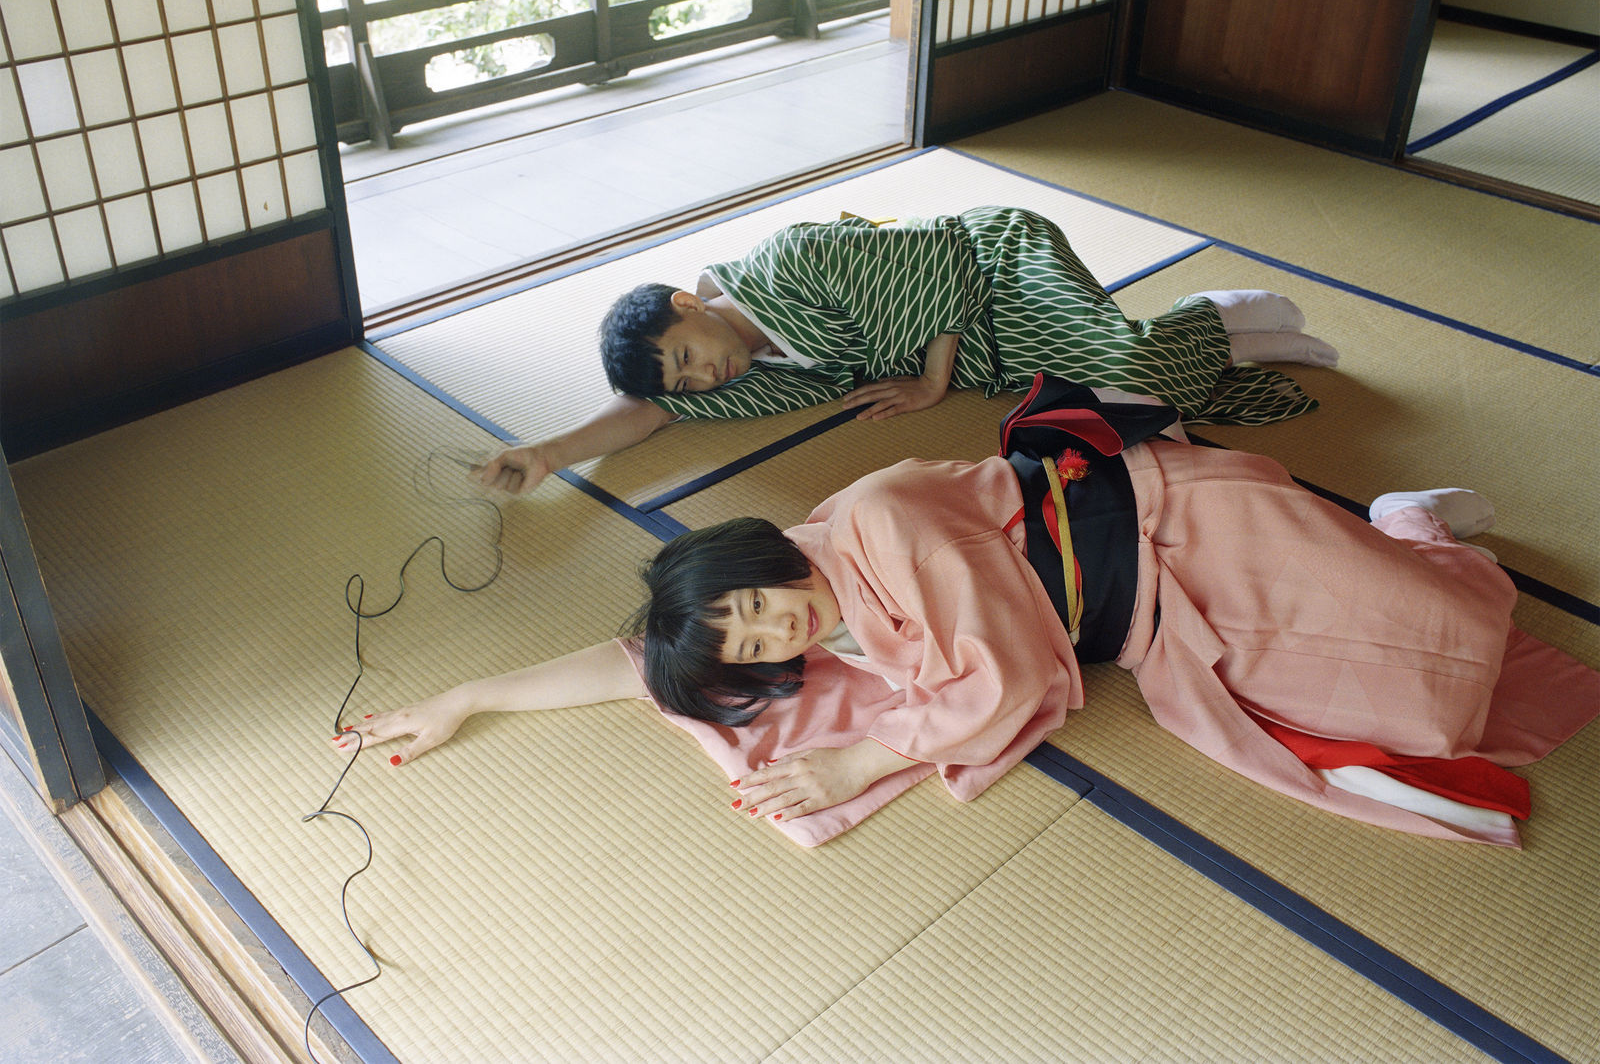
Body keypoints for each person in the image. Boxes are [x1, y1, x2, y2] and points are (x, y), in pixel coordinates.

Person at [340, 382, 1597, 848]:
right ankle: (1395, 541)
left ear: (757, 553)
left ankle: (1405, 526)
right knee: (1420, 713)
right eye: (756, 647)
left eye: (758, 607)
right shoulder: (812, 613)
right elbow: (638, 661)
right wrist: (465, 695)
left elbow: (1007, 683)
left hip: (1192, 532)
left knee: (1457, 649)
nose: (779, 633)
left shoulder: (879, 520)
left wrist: (858, 756)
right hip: (1154, 625)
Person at [473, 206, 1339, 493]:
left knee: (1125, 373)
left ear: (689, 303)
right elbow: (650, 410)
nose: (707, 375)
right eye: (691, 379)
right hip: (983, 350)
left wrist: (929, 385)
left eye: (689, 351)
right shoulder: (751, 370)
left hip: (994, 267)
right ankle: (1217, 343)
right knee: (1105, 418)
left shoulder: (792, 260)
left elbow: (940, 262)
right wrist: (548, 452)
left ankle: (1208, 313)